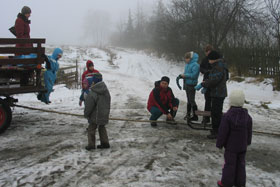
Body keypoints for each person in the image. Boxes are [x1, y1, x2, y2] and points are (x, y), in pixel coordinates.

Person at [216, 89, 252, 187]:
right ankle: (240, 183)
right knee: (241, 165)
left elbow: (223, 132)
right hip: (242, 146)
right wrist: (248, 141)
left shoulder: (227, 116)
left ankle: (226, 183)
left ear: (231, 101)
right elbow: (249, 131)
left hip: (231, 147)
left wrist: (219, 144)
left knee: (229, 165)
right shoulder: (247, 117)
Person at [195, 50, 228, 139]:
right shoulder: (218, 66)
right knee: (215, 112)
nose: (208, 61)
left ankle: (216, 131)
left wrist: (204, 84)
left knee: (216, 113)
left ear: (213, 59)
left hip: (218, 93)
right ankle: (216, 129)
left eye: (209, 59)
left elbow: (214, 80)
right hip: (217, 92)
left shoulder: (218, 67)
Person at [84, 73, 111, 150]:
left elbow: (89, 105)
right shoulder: (105, 90)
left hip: (95, 115)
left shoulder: (93, 91)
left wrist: (86, 114)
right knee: (102, 127)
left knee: (91, 129)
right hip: (104, 113)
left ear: (94, 81)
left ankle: (91, 145)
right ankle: (105, 143)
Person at [178, 51, 200, 121]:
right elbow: (186, 73)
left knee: (192, 100)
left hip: (192, 84)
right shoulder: (187, 65)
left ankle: (195, 116)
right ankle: (188, 114)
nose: (185, 60)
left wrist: (185, 75)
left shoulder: (195, 65)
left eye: (187, 58)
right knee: (188, 100)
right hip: (187, 84)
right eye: (185, 58)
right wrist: (182, 76)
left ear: (190, 58)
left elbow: (194, 75)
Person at [200, 45, 214, 124]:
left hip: (214, 82)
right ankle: (206, 118)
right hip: (206, 81)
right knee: (207, 100)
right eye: (206, 51)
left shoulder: (216, 60)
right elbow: (201, 68)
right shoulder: (204, 59)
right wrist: (205, 71)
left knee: (214, 101)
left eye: (208, 51)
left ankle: (214, 118)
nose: (207, 53)